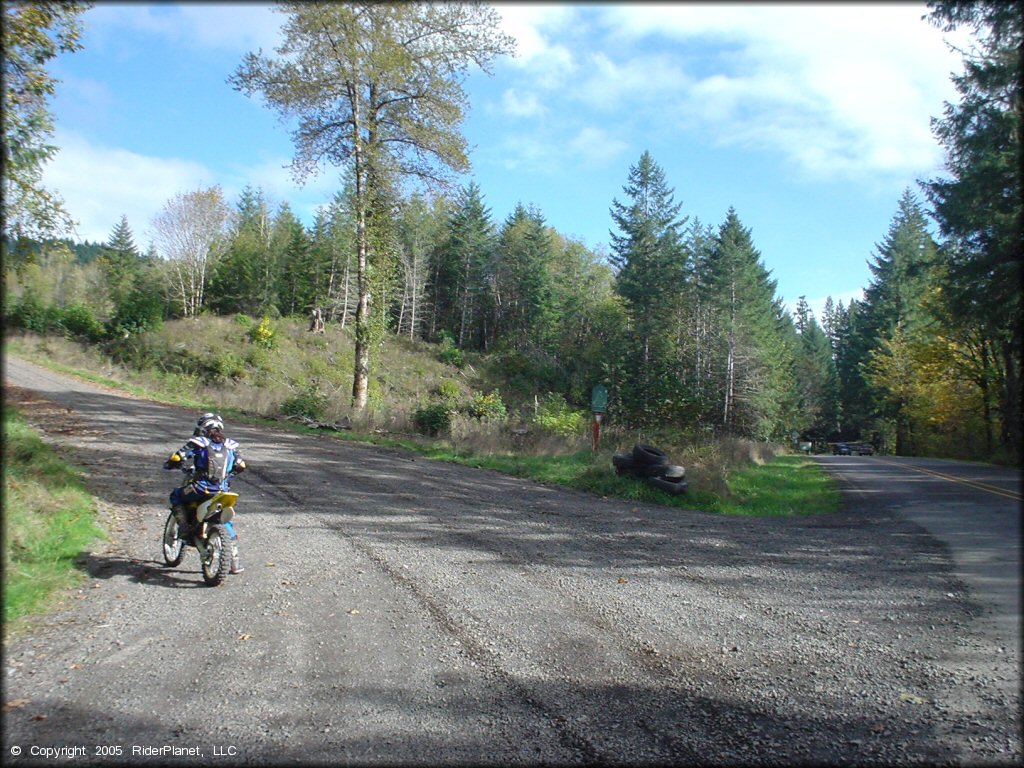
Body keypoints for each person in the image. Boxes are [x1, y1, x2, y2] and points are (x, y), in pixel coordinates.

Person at [165, 418, 247, 573]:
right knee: (224, 519)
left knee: (176, 495)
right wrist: (228, 476)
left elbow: (178, 457)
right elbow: (241, 465)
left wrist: (171, 464)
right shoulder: (231, 445)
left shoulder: (198, 442)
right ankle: (234, 561)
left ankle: (183, 528)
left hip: (200, 489)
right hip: (223, 491)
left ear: (202, 429)